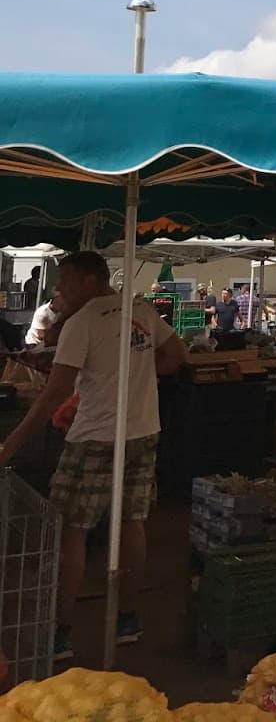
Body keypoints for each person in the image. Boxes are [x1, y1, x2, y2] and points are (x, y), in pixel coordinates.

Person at [0, 250, 187, 659]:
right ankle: (127, 618)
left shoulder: (82, 324)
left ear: (89, 280)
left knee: (72, 529)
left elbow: (55, 393)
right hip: (143, 431)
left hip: (94, 438)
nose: (59, 290)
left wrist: (10, 445)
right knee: (131, 523)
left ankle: (61, 631)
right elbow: (176, 356)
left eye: (65, 281)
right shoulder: (138, 311)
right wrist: (128, 373)